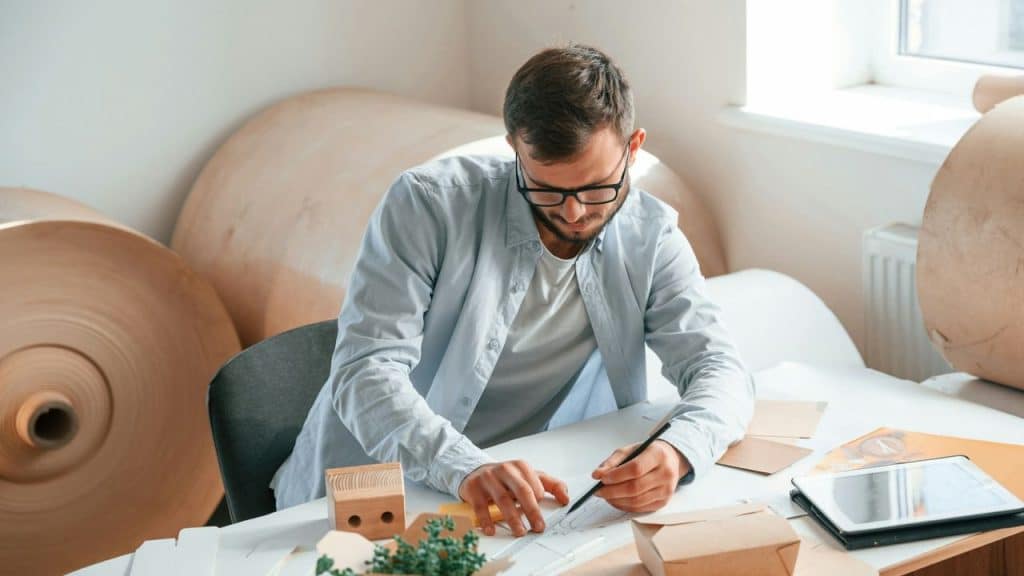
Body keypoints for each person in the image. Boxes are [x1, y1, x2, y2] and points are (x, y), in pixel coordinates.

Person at [271, 44, 753, 538]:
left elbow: (719, 367)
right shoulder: (427, 206)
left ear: (633, 149)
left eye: (596, 189)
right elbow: (365, 371)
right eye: (546, 189)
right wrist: (463, 466)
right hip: (375, 485)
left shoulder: (650, 238)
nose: (573, 213)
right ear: (514, 149)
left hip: (525, 488)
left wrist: (679, 450)